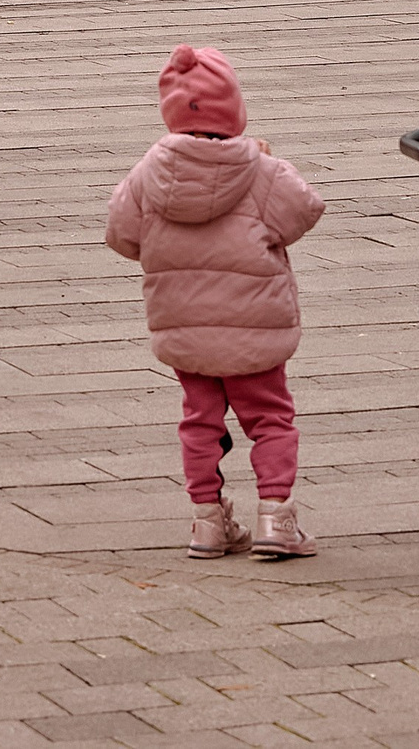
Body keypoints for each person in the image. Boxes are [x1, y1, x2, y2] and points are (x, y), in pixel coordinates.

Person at [105, 44, 326, 561]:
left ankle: (207, 520)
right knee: (270, 418)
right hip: (254, 328)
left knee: (199, 419)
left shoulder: (148, 173)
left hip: (184, 327)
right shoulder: (258, 170)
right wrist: (270, 160)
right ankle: (275, 516)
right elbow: (305, 211)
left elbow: (121, 235)